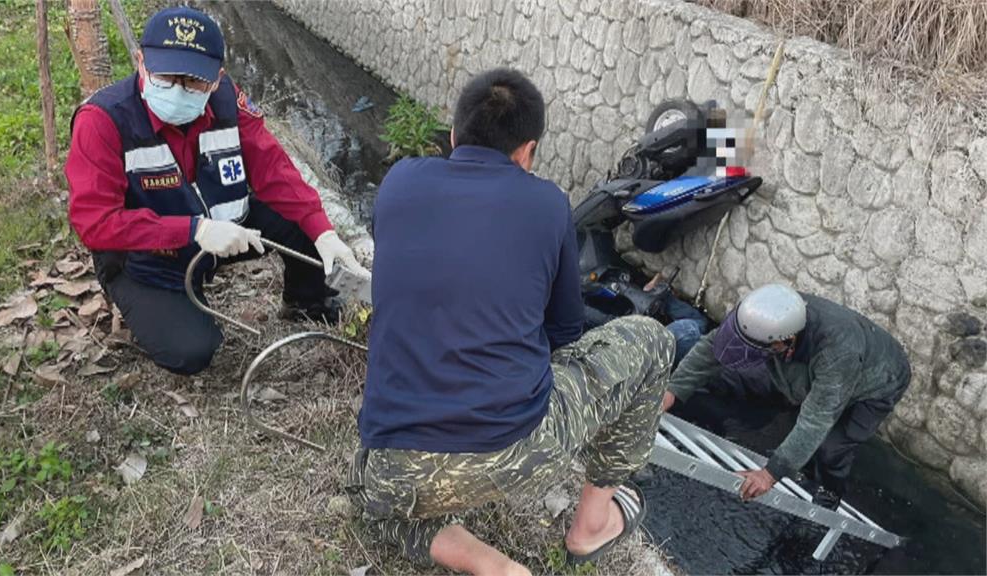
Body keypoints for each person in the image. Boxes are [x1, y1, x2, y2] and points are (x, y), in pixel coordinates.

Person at [349, 68, 675, 575]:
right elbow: (566, 334)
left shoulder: (400, 181)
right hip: (518, 450)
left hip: (396, 466)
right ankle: (591, 526)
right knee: (651, 340)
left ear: (454, 136)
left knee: (367, 493)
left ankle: (490, 565)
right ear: (528, 151)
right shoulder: (547, 204)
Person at [64, 7, 369, 375]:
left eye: (194, 81)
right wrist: (195, 230)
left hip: (226, 224)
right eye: (166, 75)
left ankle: (306, 302)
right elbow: (96, 223)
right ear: (140, 62)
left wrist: (323, 231)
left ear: (216, 78)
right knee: (191, 352)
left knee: (300, 219)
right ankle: (160, 302)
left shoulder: (226, 100)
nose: (179, 89)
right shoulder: (103, 121)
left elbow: (272, 168)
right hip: (147, 259)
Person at [662, 284, 911, 507]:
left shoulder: (838, 353)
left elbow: (816, 420)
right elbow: (711, 348)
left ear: (786, 341)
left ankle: (830, 491)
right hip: (813, 363)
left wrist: (771, 473)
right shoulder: (761, 313)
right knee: (741, 380)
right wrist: (673, 390)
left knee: (831, 449)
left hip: (879, 380)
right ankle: (785, 411)